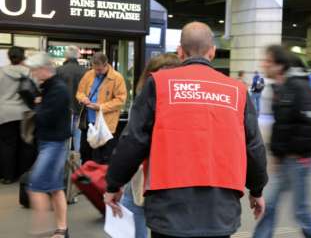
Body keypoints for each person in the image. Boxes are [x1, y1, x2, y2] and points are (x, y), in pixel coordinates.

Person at [104, 21, 268, 238]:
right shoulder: (237, 91)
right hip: (219, 208)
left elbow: (134, 140)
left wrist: (114, 183)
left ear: (180, 52)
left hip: (169, 207)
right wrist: (256, 190)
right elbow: (254, 146)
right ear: (212, 52)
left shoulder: (159, 85)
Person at [253, 45, 311, 238]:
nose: (263, 64)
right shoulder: (282, 86)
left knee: (301, 212)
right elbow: (282, 126)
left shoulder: (299, 86)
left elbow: (309, 126)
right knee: (270, 204)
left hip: (298, 160)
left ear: (279, 65)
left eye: (267, 61)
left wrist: (294, 153)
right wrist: (277, 154)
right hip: (285, 159)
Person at [122, 53, 181, 238]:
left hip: (163, 175)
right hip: (142, 172)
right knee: (132, 209)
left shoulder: (150, 102)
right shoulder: (142, 102)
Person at [24, 53, 71, 238]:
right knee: (55, 187)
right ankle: (62, 229)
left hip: (54, 143)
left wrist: (37, 106)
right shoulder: (49, 87)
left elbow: (45, 117)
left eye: (35, 70)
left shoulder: (57, 89)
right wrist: (38, 103)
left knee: (35, 185)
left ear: (44, 69)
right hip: (50, 142)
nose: (33, 74)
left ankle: (41, 228)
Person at [76, 52, 127, 164]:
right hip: (88, 123)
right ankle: (86, 179)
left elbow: (121, 100)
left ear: (106, 64)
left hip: (105, 125)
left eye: (99, 70)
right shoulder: (89, 74)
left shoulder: (117, 78)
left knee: (102, 158)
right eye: (95, 69)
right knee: (85, 154)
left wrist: (101, 107)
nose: (97, 72)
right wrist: (83, 98)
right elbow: (79, 92)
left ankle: (100, 180)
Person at [0, 46, 31, 184]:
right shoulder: (29, 73)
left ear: (9, 57)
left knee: (7, 145)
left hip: (5, 113)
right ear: (23, 57)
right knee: (25, 144)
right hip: (25, 113)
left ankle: (8, 176)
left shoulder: (1, 72)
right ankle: (23, 176)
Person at [56, 46, 86, 152]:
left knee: (63, 141)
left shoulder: (59, 70)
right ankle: (77, 164)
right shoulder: (85, 71)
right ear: (78, 56)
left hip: (63, 110)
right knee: (78, 140)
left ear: (66, 56)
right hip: (80, 108)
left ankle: (64, 165)